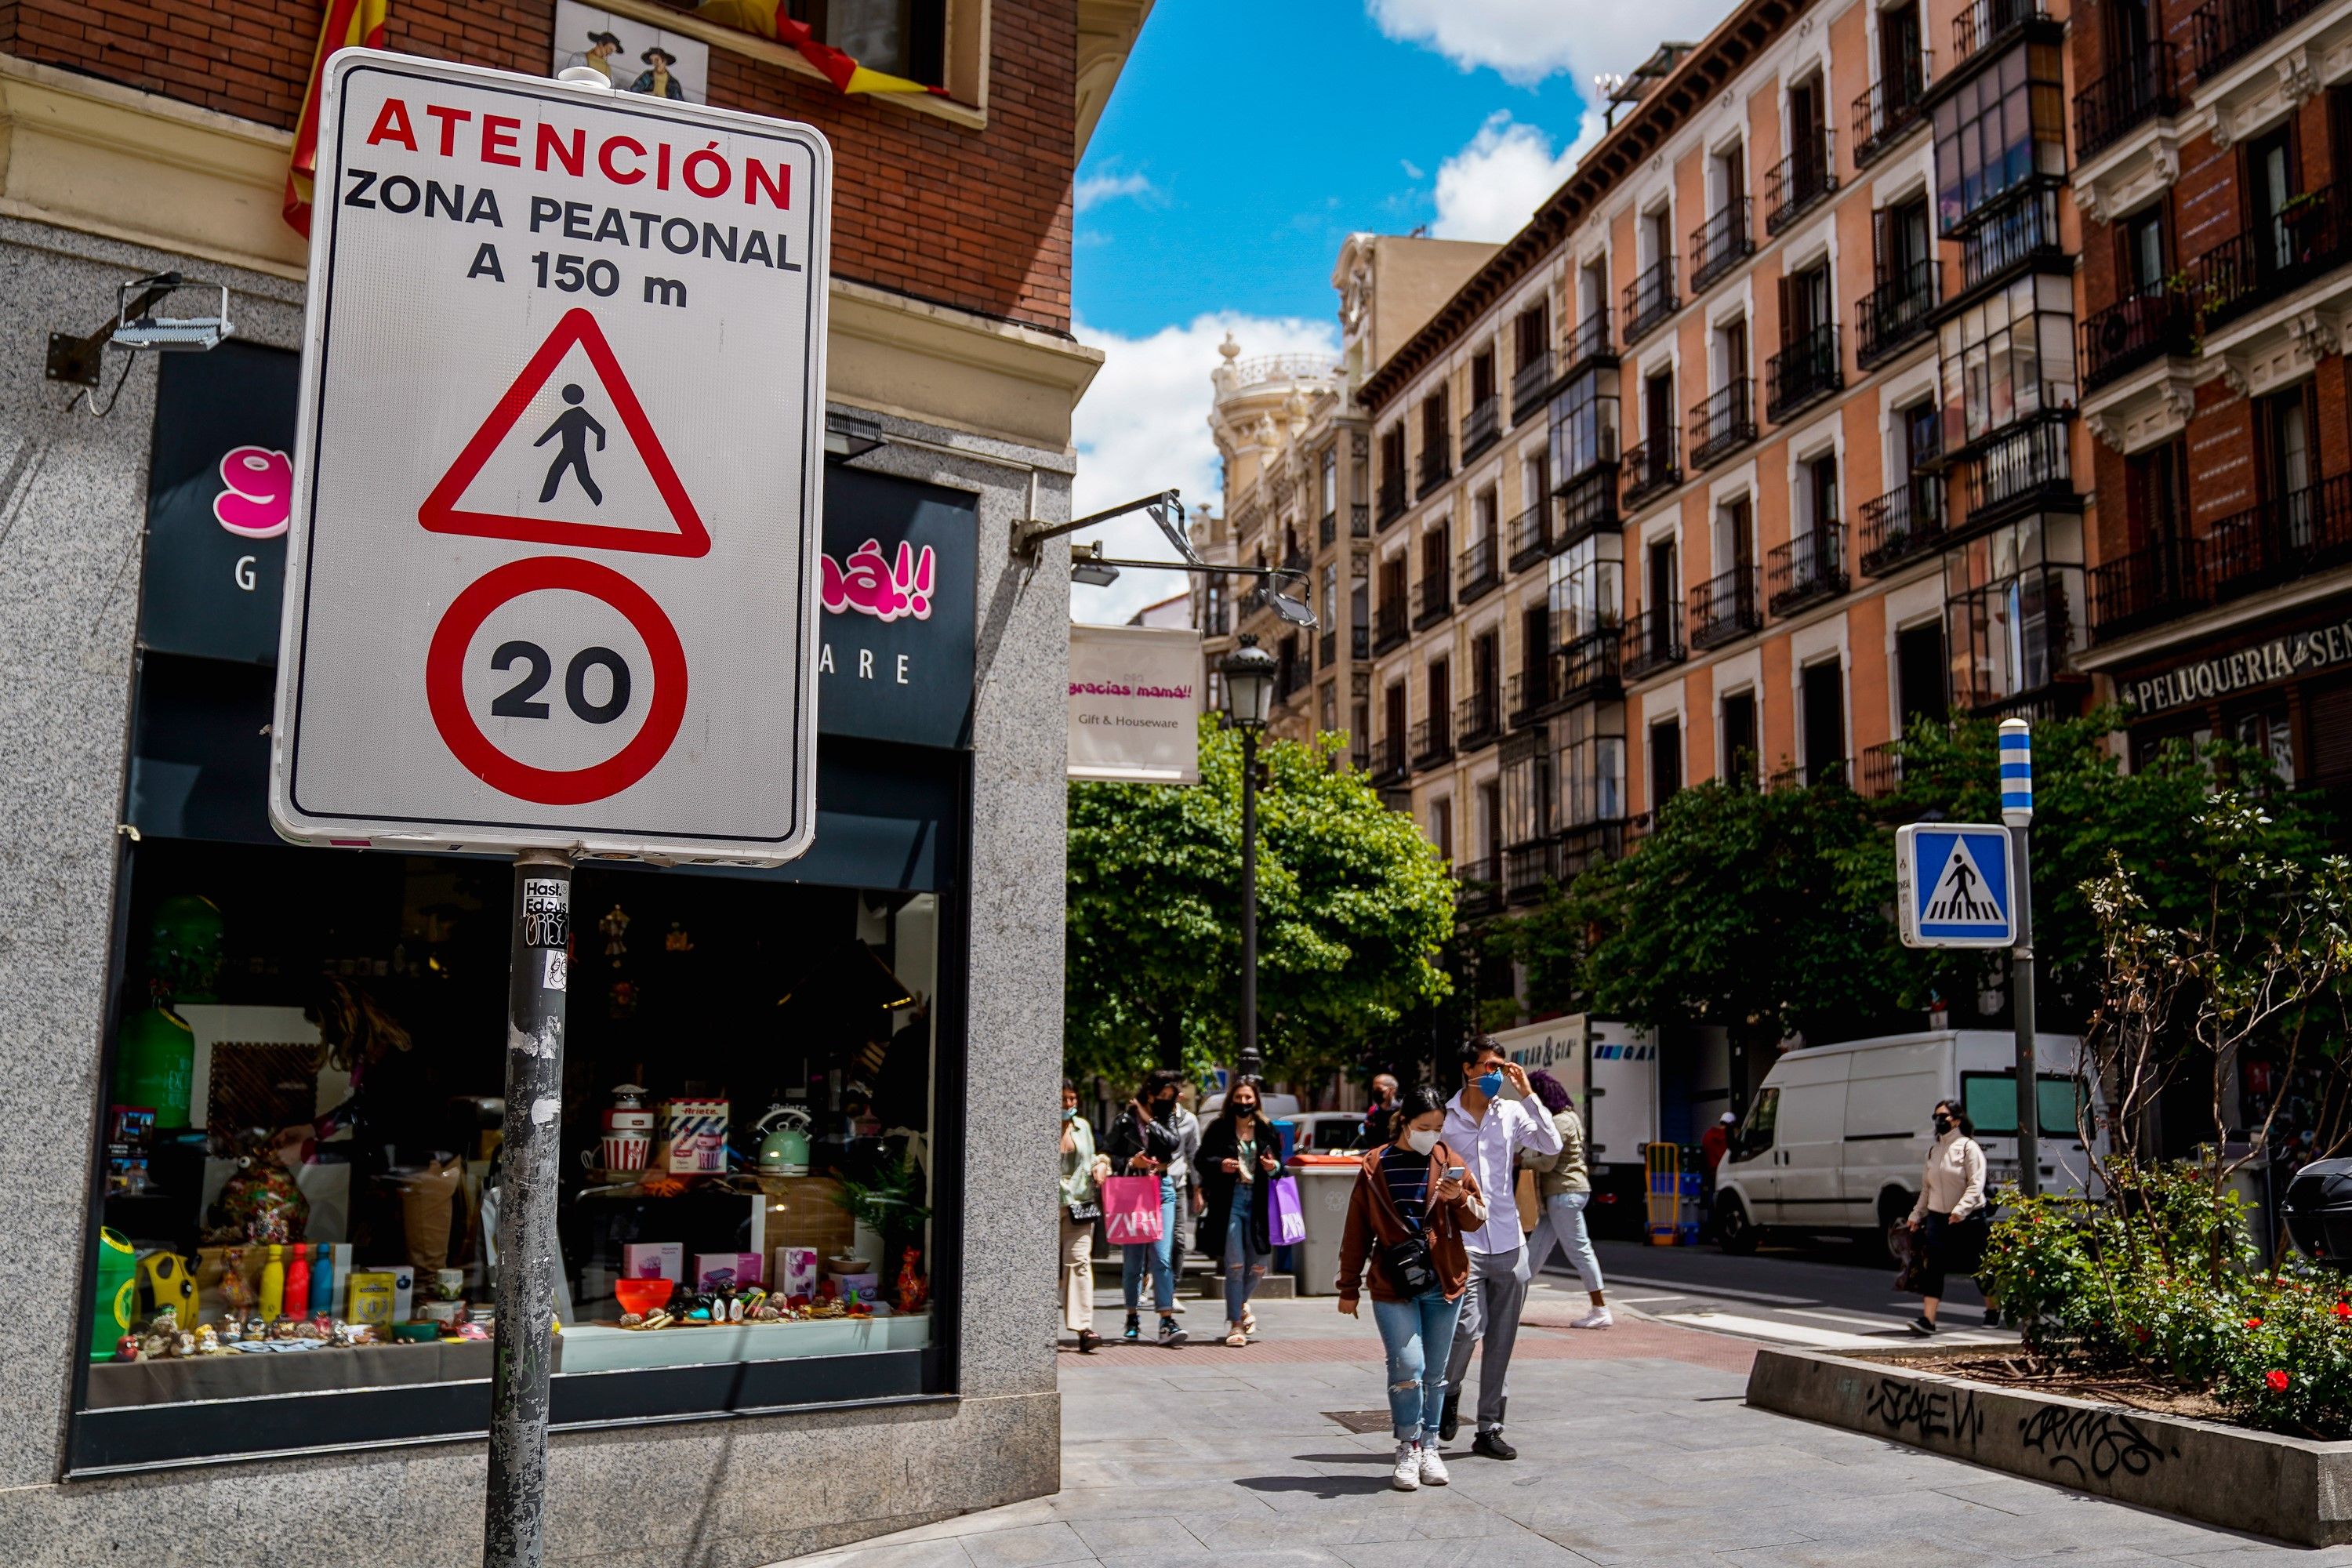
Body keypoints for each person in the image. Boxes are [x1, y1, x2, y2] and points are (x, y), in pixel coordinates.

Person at [1336, 1085, 1488, 1491]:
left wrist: (1457, 1199)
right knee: (1407, 1368)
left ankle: (1431, 1445)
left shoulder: (1449, 1161)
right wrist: (1347, 1286)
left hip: (1444, 1280)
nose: (1432, 1135)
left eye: (1439, 1127)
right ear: (1404, 1122)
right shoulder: (1375, 1165)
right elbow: (1357, 1230)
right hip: (1393, 1281)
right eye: (1425, 1127)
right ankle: (1408, 1445)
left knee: (1436, 1374)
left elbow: (1478, 1218)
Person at [1439, 1037, 1561, 1459]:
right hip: (1465, 1242)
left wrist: (1528, 1095)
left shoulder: (1511, 1112)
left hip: (1509, 1241)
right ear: (1467, 1069)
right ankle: (1449, 1391)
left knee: (1503, 1340)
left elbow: (1552, 1145)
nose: (1494, 1075)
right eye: (1487, 1067)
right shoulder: (1446, 1118)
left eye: (1500, 1067)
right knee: (1467, 1331)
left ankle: (1489, 1427)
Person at [1104, 1070, 1188, 1345]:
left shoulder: (1166, 1118)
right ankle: (1132, 1316)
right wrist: (1131, 1162)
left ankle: (1166, 1319)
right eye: (1162, 1096)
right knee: (1133, 1262)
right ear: (1149, 1094)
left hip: (1162, 1189)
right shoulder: (1125, 1120)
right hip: (1132, 1192)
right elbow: (1109, 1152)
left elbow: (1173, 1143)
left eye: (1171, 1097)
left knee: (1163, 1256)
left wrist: (1151, 1119)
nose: (1167, 1101)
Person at [1197, 1076, 1282, 1347]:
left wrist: (1273, 1168)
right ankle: (1235, 1324)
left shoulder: (1267, 1129)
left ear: (1256, 1100)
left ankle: (1241, 1303)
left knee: (1258, 1266)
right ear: (1231, 1100)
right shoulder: (1219, 1128)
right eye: (1238, 1098)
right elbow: (1201, 1159)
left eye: (1248, 1098)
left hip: (1258, 1204)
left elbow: (1281, 1167)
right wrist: (1219, 1164)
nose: (1243, 1102)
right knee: (1235, 1266)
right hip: (1229, 1201)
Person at [1521, 1069, 1609, 1330]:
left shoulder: (1559, 1122)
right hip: (1562, 1195)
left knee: (1580, 1250)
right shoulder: (1570, 1117)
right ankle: (1508, 1305)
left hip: (1563, 1194)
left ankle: (1600, 1308)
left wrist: (1520, 1161)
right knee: (1533, 1253)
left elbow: (1548, 1163)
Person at [1907, 1099, 1988, 1335]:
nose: (1939, 1121)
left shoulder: (1968, 1147)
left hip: (1969, 1217)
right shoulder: (1933, 1151)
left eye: (1944, 1116)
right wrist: (1916, 1214)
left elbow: (1976, 1184)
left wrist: (1961, 1210)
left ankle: (1993, 1308)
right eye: (1936, 1117)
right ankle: (1928, 1320)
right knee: (1934, 1267)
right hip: (1937, 1218)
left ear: (1957, 1120)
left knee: (1978, 1265)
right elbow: (1927, 1188)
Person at [1058, 1081, 1107, 1353]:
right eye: (1063, 1099)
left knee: (1079, 1262)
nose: (1068, 1105)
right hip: (1047, 1203)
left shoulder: (1083, 1127)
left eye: (1072, 1099)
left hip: (1080, 1203)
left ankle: (1083, 1328)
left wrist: (1101, 1165)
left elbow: (1093, 1158)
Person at [1363, 1073, 1401, 1147]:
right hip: (1377, 1154)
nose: (1376, 1092)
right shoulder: (1373, 1111)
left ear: (1391, 1090)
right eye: (1374, 1089)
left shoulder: (1401, 1111)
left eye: (1379, 1089)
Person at [1700, 1110, 1735, 1174]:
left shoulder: (1708, 1135)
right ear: (1731, 1124)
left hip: (1710, 1172)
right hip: (1725, 1171)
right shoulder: (1729, 1136)